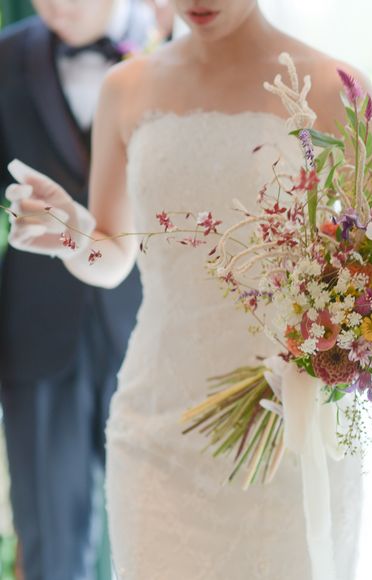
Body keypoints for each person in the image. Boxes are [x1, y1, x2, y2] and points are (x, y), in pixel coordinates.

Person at [6, 0, 372, 578]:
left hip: (287, 426)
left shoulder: (340, 90)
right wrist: (74, 236)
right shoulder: (126, 88)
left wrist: (324, 349)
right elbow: (113, 255)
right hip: (157, 429)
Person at [0, 1, 165, 579]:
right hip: (38, 329)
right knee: (50, 539)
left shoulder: (179, 51)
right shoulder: (7, 57)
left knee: (160, 532)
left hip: (155, 329)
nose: (53, 7)